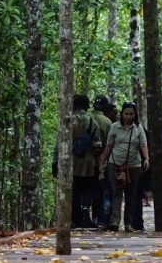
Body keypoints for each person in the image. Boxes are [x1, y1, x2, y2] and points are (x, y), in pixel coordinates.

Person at [98, 102, 149, 232]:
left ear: (135, 115)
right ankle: (115, 221)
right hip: (115, 164)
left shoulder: (138, 128)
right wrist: (102, 160)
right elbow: (109, 145)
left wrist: (146, 158)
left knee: (131, 193)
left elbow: (143, 144)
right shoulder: (114, 127)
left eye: (131, 114)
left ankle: (128, 223)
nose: (128, 116)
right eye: (126, 114)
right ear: (122, 114)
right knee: (116, 192)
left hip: (134, 165)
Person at [52, 94, 102, 228]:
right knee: (87, 189)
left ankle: (76, 220)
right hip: (88, 163)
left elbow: (59, 143)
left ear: (74, 105)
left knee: (73, 191)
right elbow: (98, 144)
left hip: (70, 162)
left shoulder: (67, 121)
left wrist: (55, 162)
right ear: (86, 106)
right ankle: (85, 209)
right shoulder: (92, 122)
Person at [89, 95, 113, 228]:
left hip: (83, 161)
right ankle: (97, 218)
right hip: (100, 161)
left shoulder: (87, 117)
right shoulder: (107, 122)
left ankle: (83, 218)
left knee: (85, 190)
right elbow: (110, 143)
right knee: (99, 190)